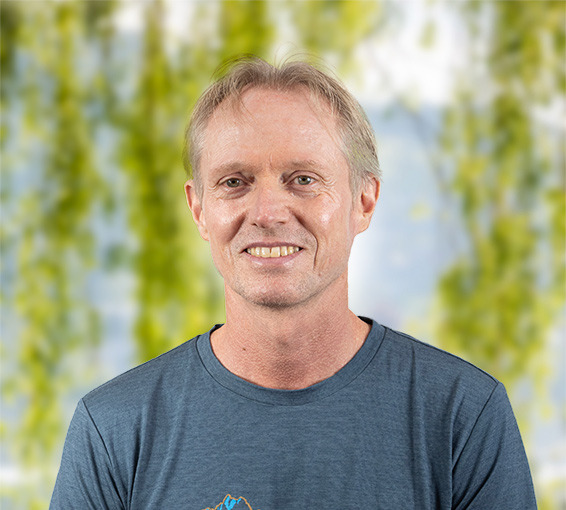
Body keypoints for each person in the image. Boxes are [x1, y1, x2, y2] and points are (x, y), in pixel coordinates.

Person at [50, 56, 537, 510]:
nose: (267, 213)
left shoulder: (464, 418)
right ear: (198, 209)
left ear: (364, 201)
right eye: (234, 182)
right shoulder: (112, 430)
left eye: (303, 179)